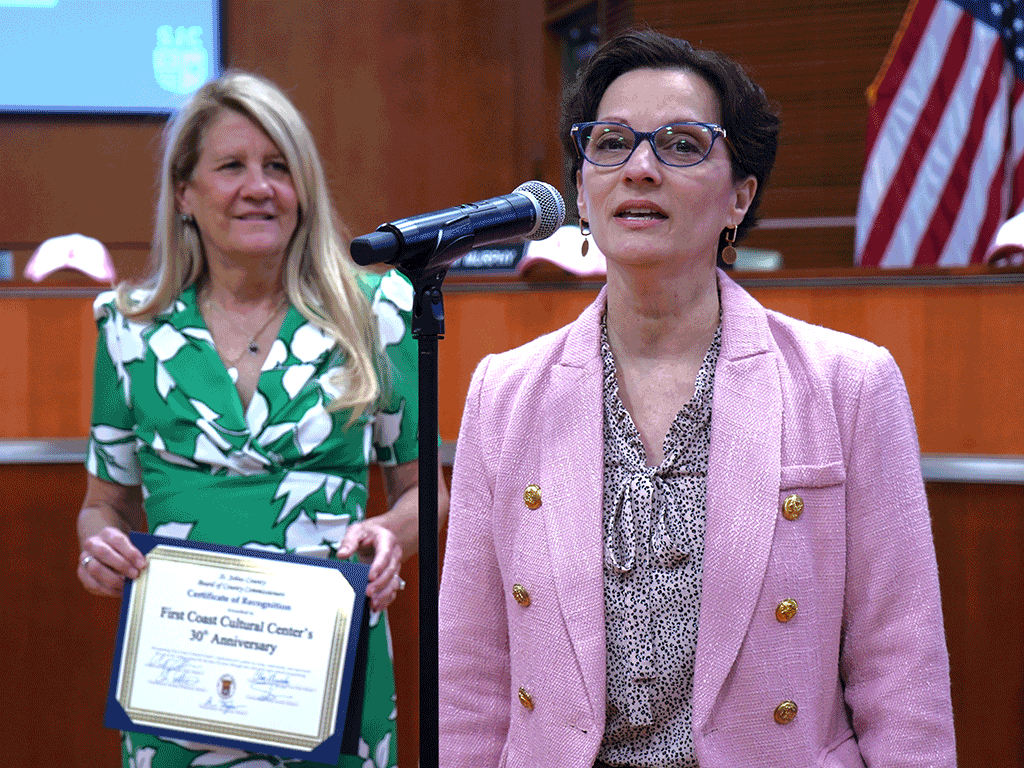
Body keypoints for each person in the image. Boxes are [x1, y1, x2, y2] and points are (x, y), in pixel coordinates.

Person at [438, 29, 955, 768]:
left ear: (739, 197)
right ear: (581, 191)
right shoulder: (505, 392)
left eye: (681, 144)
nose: (640, 168)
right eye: (611, 142)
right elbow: (471, 685)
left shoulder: (849, 384)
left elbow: (901, 674)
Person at [75, 70, 448, 768]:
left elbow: (423, 492)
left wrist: (391, 535)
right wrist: (100, 548)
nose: (259, 186)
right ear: (184, 192)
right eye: (232, 166)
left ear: (304, 186)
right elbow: (104, 506)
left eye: (279, 166)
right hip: (178, 690)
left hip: (333, 676)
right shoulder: (129, 328)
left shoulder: (378, 310)